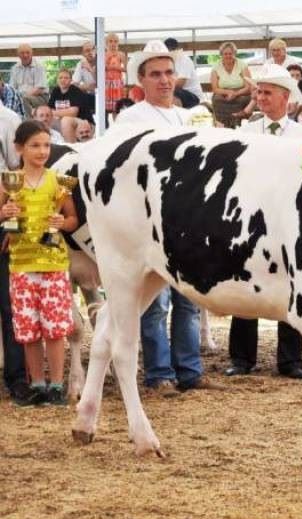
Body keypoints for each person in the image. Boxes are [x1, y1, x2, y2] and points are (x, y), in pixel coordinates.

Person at [115, 40, 218, 395]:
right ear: (140, 81)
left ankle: (189, 370)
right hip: (149, 221)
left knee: (188, 299)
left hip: (188, 220)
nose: (164, 80)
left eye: (169, 73)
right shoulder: (129, 119)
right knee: (154, 303)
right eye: (155, 74)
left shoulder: (188, 116)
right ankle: (159, 374)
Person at [230, 64, 302, 380]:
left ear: (285, 97)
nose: (260, 98)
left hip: (289, 221)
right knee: (243, 282)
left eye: (266, 92)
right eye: (258, 92)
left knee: (292, 285)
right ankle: (241, 358)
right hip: (250, 221)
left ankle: (291, 360)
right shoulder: (245, 133)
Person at [0, 120, 78, 405]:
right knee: (28, 330)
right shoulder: (9, 181)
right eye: (35, 145)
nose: (42, 151)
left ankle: (56, 385)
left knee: (55, 329)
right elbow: (2, 217)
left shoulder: (58, 182)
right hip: (20, 266)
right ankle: (38, 384)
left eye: (46, 145)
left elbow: (72, 220)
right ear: (19, 148)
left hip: (53, 264)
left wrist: (62, 221)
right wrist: (5, 212)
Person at [0, 102, 31, 406]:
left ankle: (17, 378)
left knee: (10, 305)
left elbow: (14, 176)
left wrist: (11, 225)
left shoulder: (7, 118)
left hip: (2, 213)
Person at [210, 41, 252, 128]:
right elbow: (215, 88)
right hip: (223, 92)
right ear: (221, 54)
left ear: (234, 54)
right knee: (217, 99)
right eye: (225, 54)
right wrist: (228, 92)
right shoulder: (216, 67)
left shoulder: (242, 65)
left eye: (230, 53)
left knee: (241, 100)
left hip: (242, 92)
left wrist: (235, 93)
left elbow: (248, 86)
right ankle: (222, 125)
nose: (228, 56)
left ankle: (239, 124)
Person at [48, 68, 91, 142]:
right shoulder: (55, 91)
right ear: (57, 80)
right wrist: (50, 113)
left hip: (82, 122)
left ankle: (71, 149)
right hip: (62, 121)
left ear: (71, 80)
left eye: (66, 78)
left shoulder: (75, 91)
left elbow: (73, 113)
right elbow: (49, 109)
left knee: (66, 120)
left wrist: (53, 113)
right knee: (43, 119)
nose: (63, 80)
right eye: (60, 78)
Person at [9, 44, 48, 118]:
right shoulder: (14, 68)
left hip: (40, 97)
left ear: (32, 53)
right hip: (21, 96)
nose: (25, 55)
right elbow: (12, 88)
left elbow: (39, 89)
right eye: (22, 53)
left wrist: (20, 97)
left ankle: (28, 124)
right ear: (18, 55)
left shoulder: (39, 66)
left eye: (27, 52)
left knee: (24, 99)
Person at [164, 38, 202, 109]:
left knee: (172, 90)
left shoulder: (184, 59)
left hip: (193, 96)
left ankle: (176, 116)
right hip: (182, 93)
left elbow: (180, 84)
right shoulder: (170, 60)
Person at [104, 33, 127, 115]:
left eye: (115, 41)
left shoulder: (121, 54)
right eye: (110, 41)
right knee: (104, 108)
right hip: (106, 83)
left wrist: (117, 68)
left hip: (117, 83)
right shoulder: (103, 54)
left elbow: (127, 69)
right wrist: (108, 60)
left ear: (118, 43)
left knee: (117, 108)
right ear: (106, 43)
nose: (113, 43)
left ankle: (117, 126)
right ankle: (105, 126)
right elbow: (101, 68)